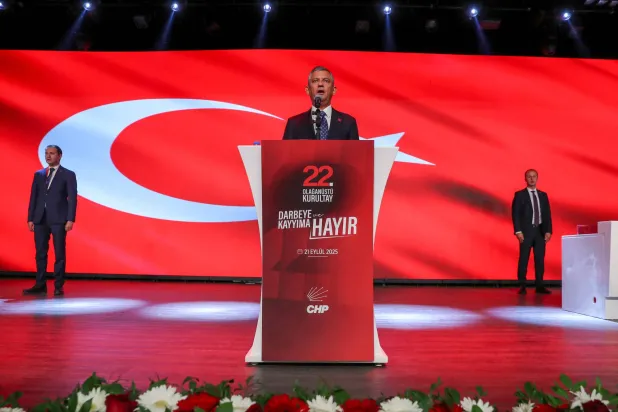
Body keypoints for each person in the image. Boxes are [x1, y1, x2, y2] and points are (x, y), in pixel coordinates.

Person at [24, 145, 77, 296]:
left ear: (59, 155)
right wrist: (30, 218)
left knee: (59, 253)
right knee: (40, 253)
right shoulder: (39, 174)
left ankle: (58, 285)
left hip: (59, 219)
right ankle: (40, 284)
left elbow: (72, 198)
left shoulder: (68, 174)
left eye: (52, 153)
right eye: (46, 153)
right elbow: (33, 197)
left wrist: (70, 219)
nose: (48, 156)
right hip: (40, 219)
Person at [282, 66, 360, 140]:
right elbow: (286, 150)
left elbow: (355, 150)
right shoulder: (294, 124)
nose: (320, 84)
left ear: (334, 90)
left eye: (326, 80)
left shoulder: (348, 122)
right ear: (307, 90)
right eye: (315, 81)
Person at [511, 169, 552, 295]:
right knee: (524, 258)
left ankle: (539, 285)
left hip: (540, 231)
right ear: (525, 179)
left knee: (539, 259)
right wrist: (518, 231)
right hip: (526, 232)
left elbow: (547, 214)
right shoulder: (520, 195)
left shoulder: (543, 195)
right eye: (529, 176)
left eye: (534, 176)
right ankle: (522, 285)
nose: (532, 179)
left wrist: (548, 231)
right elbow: (516, 214)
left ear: (537, 178)